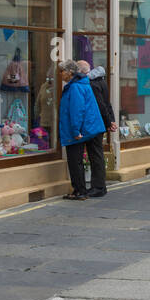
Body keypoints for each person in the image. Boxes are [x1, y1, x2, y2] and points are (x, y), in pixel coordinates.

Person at [57, 59, 106, 201]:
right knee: (89, 157)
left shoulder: (75, 87)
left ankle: (79, 191)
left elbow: (77, 111)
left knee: (75, 160)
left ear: (70, 72)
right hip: (90, 127)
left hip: (81, 130)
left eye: (62, 71)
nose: (60, 74)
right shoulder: (81, 84)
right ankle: (91, 188)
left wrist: (75, 131)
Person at [76, 59, 116, 197]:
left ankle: (98, 187)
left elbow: (100, 104)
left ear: (81, 71)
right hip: (100, 123)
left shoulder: (91, 84)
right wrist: (111, 120)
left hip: (94, 124)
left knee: (95, 155)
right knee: (97, 154)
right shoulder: (101, 80)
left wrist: (108, 121)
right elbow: (107, 103)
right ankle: (100, 186)